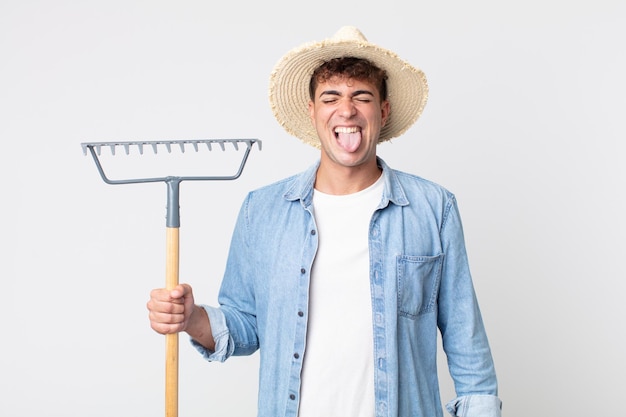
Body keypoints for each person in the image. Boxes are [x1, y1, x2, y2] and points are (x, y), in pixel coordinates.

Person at [147, 26, 502, 417]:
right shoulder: (262, 211)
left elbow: (468, 348)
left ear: (382, 111)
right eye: (330, 97)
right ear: (312, 111)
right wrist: (192, 318)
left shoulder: (433, 208)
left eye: (361, 97)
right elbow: (246, 327)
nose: (346, 110)